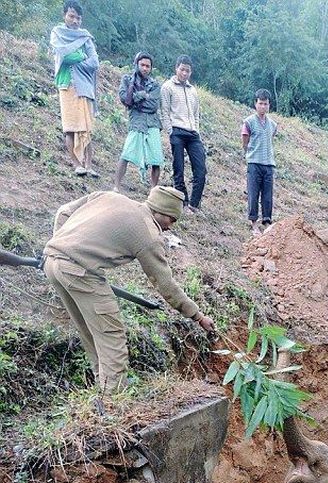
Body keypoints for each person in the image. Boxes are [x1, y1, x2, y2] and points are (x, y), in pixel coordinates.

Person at [43, 186, 214, 393]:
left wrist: (59, 246)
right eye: (172, 218)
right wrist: (197, 316)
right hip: (81, 274)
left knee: (90, 331)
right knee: (111, 335)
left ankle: (103, 388)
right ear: (160, 211)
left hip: (52, 263)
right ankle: (114, 401)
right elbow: (165, 284)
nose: (171, 226)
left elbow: (64, 211)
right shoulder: (148, 234)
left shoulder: (109, 196)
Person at [50, 0, 99, 177]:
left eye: (78, 18)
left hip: (84, 86)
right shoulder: (57, 33)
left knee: (86, 126)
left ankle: (89, 165)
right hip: (66, 84)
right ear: (64, 16)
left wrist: (76, 57)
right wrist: (81, 55)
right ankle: (76, 164)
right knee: (70, 126)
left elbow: (94, 62)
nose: (75, 21)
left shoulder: (85, 37)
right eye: (71, 16)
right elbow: (63, 55)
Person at [160, 55, 206, 214]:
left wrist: (197, 130)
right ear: (176, 68)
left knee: (200, 170)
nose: (184, 73)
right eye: (182, 69)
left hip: (193, 133)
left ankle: (194, 204)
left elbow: (196, 113)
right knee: (178, 169)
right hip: (177, 132)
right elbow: (164, 111)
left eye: (187, 71)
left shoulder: (193, 90)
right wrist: (170, 131)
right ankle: (183, 202)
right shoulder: (167, 87)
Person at [114, 52, 163, 191]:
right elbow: (124, 99)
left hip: (152, 123)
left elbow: (154, 105)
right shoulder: (127, 80)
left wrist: (135, 101)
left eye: (148, 66)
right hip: (136, 122)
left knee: (156, 159)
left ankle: (153, 190)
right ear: (136, 64)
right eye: (142, 65)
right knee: (126, 154)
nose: (145, 68)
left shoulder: (154, 84)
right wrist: (142, 95)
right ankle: (116, 187)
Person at [242, 89, 278, 236]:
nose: (263, 107)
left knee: (268, 195)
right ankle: (253, 223)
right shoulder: (249, 122)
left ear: (269, 105)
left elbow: (272, 137)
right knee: (253, 193)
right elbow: (245, 139)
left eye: (266, 104)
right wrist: (249, 153)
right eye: (261, 103)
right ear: (255, 104)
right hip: (254, 163)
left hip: (269, 163)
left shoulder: (273, 124)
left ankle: (267, 221)